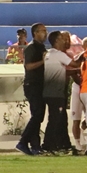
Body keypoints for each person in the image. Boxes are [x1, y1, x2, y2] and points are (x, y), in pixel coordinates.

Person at [17, 23, 48, 156]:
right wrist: (43, 61)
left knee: (38, 116)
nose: (45, 33)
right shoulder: (31, 48)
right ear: (35, 33)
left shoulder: (41, 47)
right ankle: (23, 141)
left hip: (40, 84)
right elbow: (28, 66)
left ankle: (35, 145)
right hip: (33, 84)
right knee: (37, 114)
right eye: (42, 31)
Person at [43, 30, 74, 154]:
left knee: (56, 119)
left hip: (48, 92)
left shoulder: (47, 54)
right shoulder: (59, 54)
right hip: (57, 93)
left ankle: (57, 145)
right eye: (62, 38)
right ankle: (48, 145)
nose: (65, 41)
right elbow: (74, 63)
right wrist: (85, 57)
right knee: (56, 120)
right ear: (56, 41)